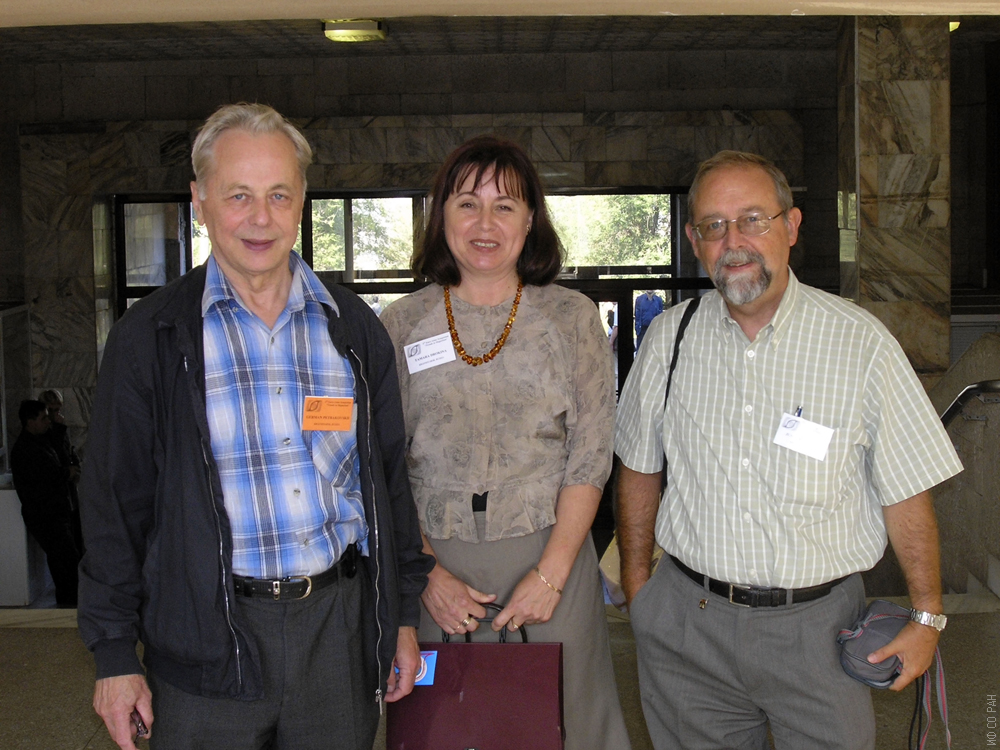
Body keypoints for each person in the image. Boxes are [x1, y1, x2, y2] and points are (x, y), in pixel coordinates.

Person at [77, 103, 432, 750]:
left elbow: (389, 484)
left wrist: (401, 618)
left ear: (302, 202)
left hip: (338, 634)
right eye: (238, 195)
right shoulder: (150, 338)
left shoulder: (353, 329)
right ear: (200, 201)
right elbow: (112, 508)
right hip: (204, 640)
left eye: (278, 195)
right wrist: (114, 654)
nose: (261, 218)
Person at [615, 150, 963, 750]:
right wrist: (638, 587)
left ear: (792, 226)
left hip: (818, 632)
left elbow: (907, 487)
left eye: (753, 219)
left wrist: (927, 615)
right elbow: (639, 467)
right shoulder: (668, 339)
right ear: (694, 241)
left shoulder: (860, 343)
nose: (734, 242)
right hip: (687, 626)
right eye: (714, 226)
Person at [381, 135, 631, 750]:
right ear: (442, 216)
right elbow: (382, 464)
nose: (485, 224)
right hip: (434, 569)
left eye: (505, 206)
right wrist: (426, 575)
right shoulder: (400, 324)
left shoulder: (572, 319)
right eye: (467, 204)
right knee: (445, 728)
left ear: (530, 221)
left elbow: (591, 456)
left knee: (566, 726)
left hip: (551, 559)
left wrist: (551, 576)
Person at [10, 399, 82, 607]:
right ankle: (68, 605)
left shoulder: (40, 441)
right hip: (45, 516)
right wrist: (66, 474)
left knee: (65, 562)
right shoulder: (25, 449)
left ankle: (69, 603)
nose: (48, 421)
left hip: (55, 512)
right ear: (30, 422)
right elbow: (44, 480)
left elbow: (61, 454)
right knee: (66, 562)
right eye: (44, 418)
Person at [39, 388, 83, 553]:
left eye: (57, 410)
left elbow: (68, 450)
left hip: (68, 488)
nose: (54, 414)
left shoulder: (58, 428)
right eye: (50, 410)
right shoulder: (44, 431)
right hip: (57, 494)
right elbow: (56, 454)